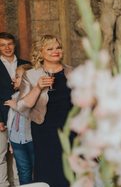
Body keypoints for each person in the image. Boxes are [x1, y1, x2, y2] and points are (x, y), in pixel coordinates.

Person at [17, 35, 73, 186]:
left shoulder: (73, 72)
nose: (56, 51)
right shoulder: (31, 75)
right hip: (45, 130)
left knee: (73, 169)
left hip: (71, 129)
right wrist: (38, 87)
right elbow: (21, 107)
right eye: (50, 48)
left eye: (58, 47)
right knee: (50, 170)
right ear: (41, 52)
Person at [0, 32, 29, 187]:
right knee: (1, 155)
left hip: (23, 117)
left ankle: (20, 185)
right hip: (2, 116)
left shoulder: (26, 64)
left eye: (10, 44)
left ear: (14, 45)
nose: (7, 47)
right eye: (3, 45)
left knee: (20, 155)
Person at [4, 64, 34, 184]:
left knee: (37, 170)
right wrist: (10, 141)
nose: (13, 79)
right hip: (17, 140)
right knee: (23, 171)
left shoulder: (35, 97)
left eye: (17, 76)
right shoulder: (14, 96)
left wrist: (16, 106)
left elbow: (33, 117)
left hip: (31, 140)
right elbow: (10, 121)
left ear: (28, 78)